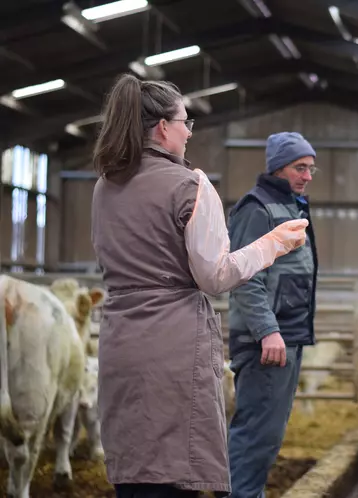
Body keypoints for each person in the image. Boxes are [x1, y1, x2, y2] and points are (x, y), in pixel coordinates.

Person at [89, 73, 308, 498]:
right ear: (163, 128)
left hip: (120, 339)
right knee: (174, 470)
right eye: (186, 122)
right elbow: (215, 276)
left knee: (134, 468)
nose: (189, 132)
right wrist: (272, 244)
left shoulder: (104, 185)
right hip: (172, 343)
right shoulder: (191, 185)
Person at [226, 132, 319, 498]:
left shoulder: (290, 206)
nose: (308, 175)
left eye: (311, 168)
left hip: (287, 337)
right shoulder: (257, 208)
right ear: (278, 167)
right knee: (255, 436)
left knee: (266, 437)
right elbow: (244, 276)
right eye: (300, 167)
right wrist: (267, 330)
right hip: (266, 343)